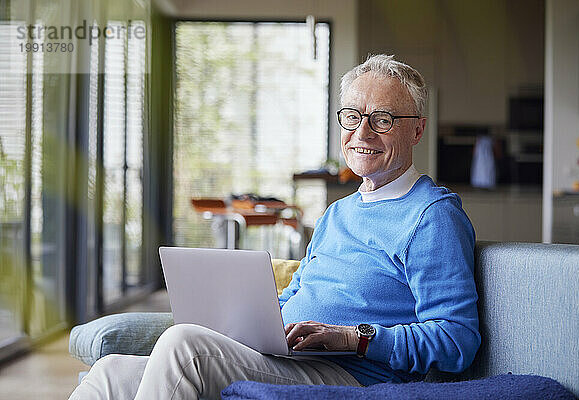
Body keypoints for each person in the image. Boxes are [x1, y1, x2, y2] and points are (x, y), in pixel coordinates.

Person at [69, 54, 480, 400]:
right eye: (352, 117)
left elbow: (457, 340)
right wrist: (245, 322)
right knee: (111, 372)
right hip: (286, 359)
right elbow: (298, 292)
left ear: (417, 129)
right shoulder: (339, 214)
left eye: (384, 119)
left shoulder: (432, 215)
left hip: (352, 379)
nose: (362, 132)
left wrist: (354, 338)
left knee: (183, 346)